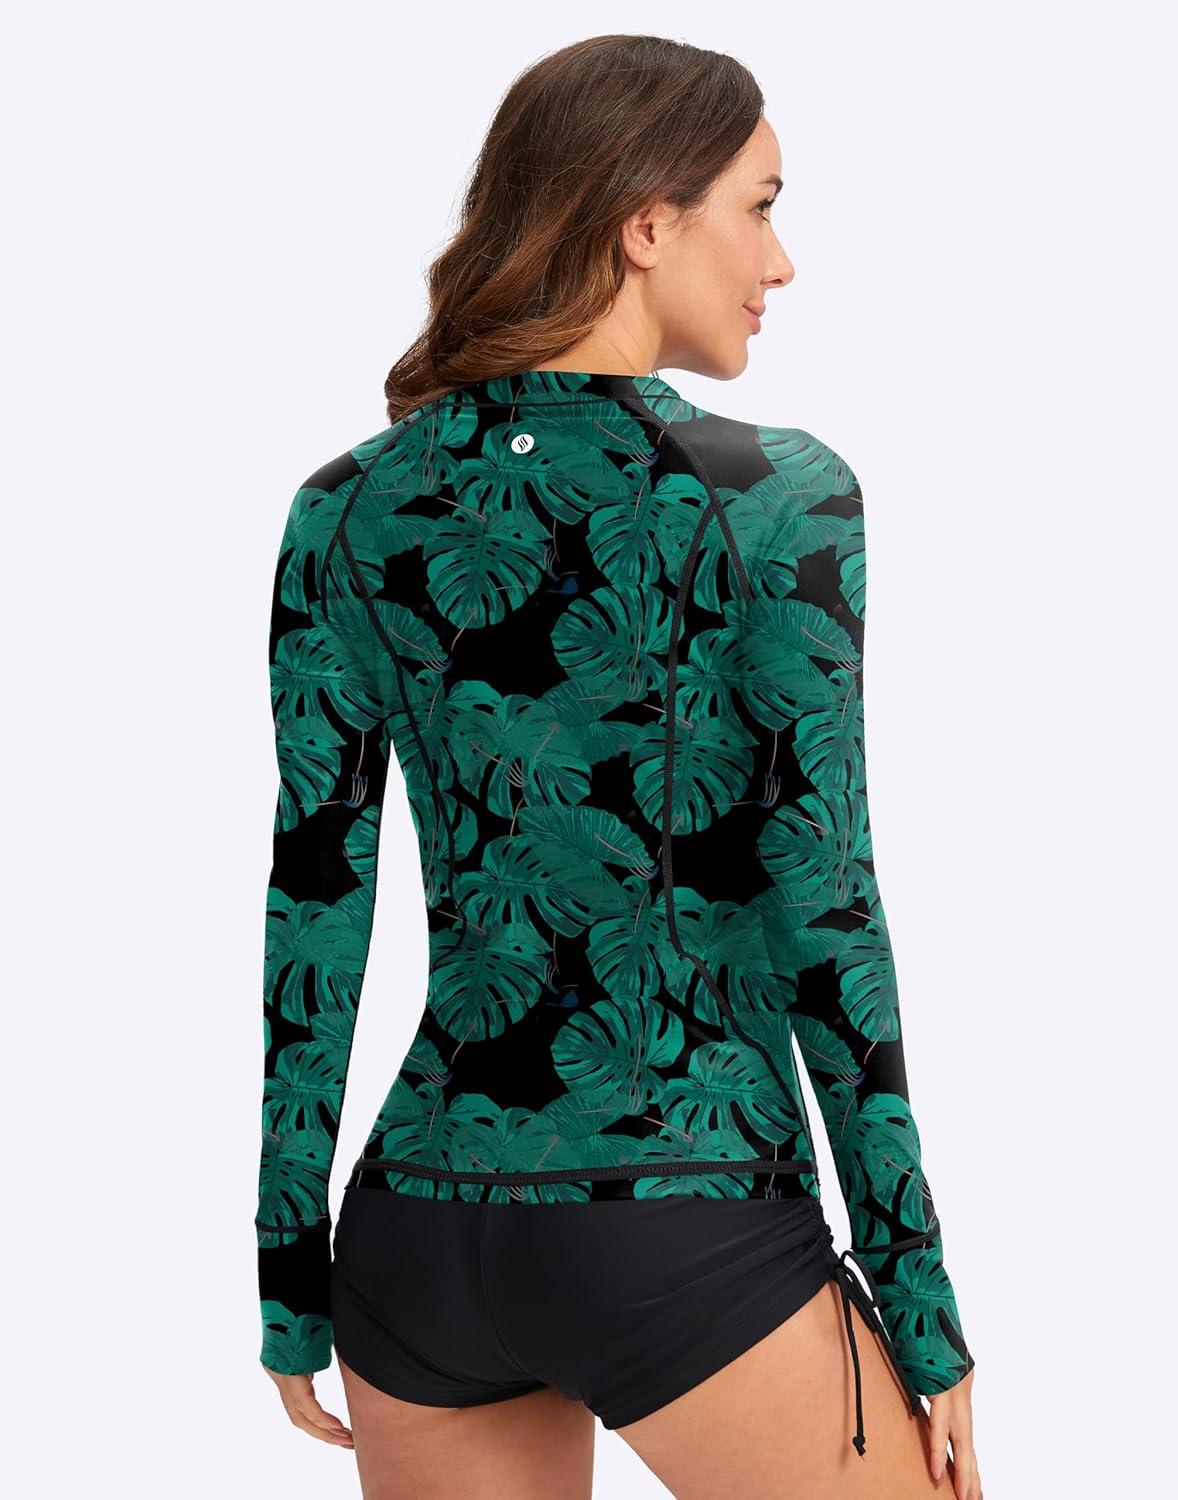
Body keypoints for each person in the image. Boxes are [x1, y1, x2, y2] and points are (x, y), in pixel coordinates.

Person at [254, 32, 983, 1500]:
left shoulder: (345, 507)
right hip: (677, 1221)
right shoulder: (774, 493)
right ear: (647, 224)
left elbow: (313, 907)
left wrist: (288, 1276)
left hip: (415, 1236)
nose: (780, 263)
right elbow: (824, 903)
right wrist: (917, 1297)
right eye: (759, 206)